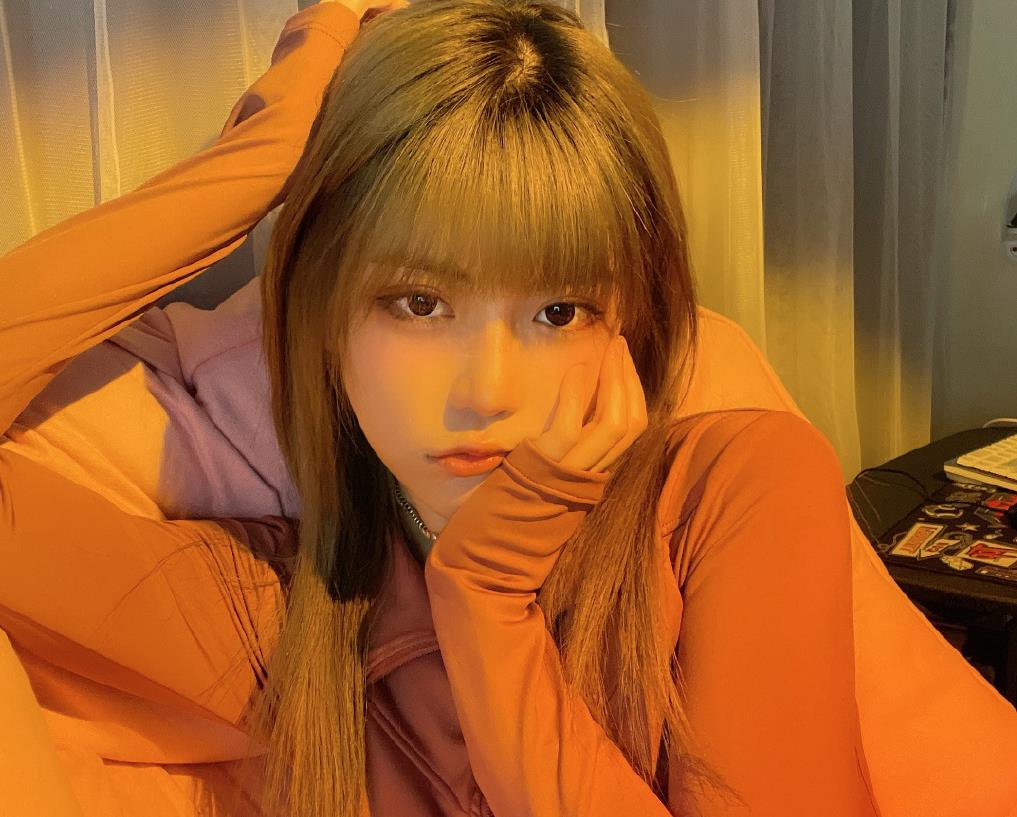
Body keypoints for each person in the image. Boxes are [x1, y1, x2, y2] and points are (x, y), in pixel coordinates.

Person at [0, 1, 938, 815]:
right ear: (324, 318)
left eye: (557, 311)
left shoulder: (726, 495)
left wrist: (488, 599)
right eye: (418, 303)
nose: (487, 392)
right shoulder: (272, 609)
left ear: (628, 323)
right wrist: (256, 163)